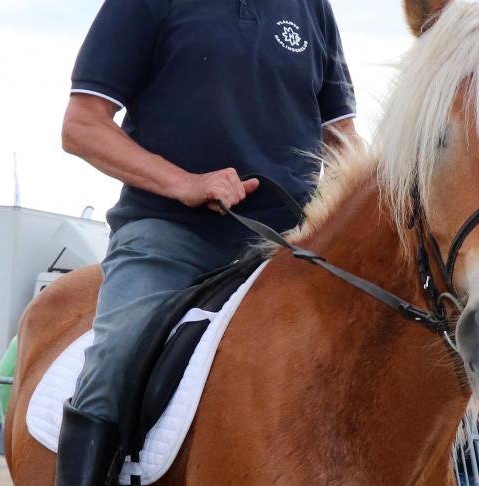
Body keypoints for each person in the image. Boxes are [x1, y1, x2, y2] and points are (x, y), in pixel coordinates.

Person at [56, 1, 357, 483]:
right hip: (170, 235)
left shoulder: (311, 8)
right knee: (118, 356)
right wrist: (185, 183)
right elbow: (82, 125)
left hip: (286, 248)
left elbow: (342, 141)